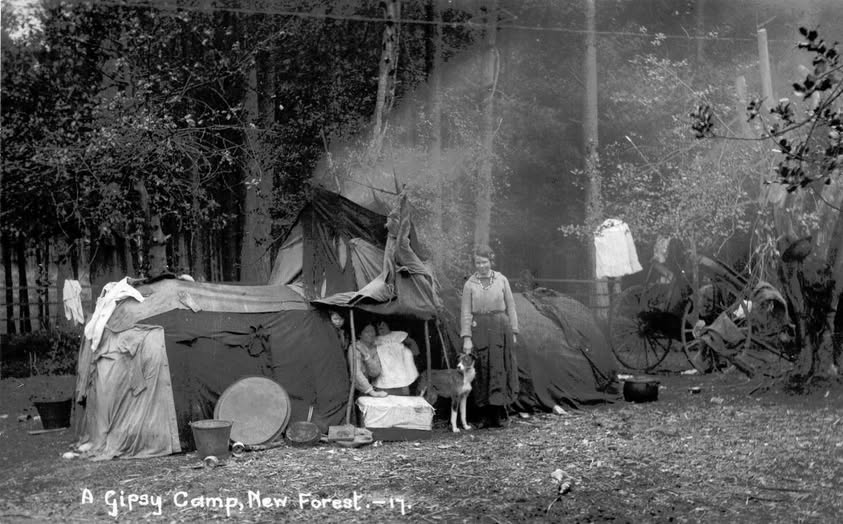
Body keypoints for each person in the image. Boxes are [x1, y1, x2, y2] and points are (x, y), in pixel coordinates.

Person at [460, 246, 519, 427]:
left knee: (499, 368)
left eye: (484, 262)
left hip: (500, 327)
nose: (481, 266)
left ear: (491, 261)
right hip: (479, 327)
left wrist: (514, 331)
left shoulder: (501, 280)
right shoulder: (470, 284)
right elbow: (466, 312)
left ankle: (499, 414)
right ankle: (484, 415)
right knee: (482, 368)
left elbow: (511, 306)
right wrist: (467, 337)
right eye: (478, 262)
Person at [373, 321, 420, 395]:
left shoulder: (398, 336)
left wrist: (413, 355)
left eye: (383, 325)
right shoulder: (375, 340)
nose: (381, 327)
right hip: (384, 373)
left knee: (402, 395)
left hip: (400, 371)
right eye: (378, 327)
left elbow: (412, 346)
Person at [348, 324, 388, 397]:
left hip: (372, 386)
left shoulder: (375, 348)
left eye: (372, 331)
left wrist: (366, 356)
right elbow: (356, 373)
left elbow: (376, 372)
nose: (371, 334)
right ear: (360, 334)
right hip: (356, 389)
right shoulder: (355, 347)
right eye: (367, 331)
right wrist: (371, 391)